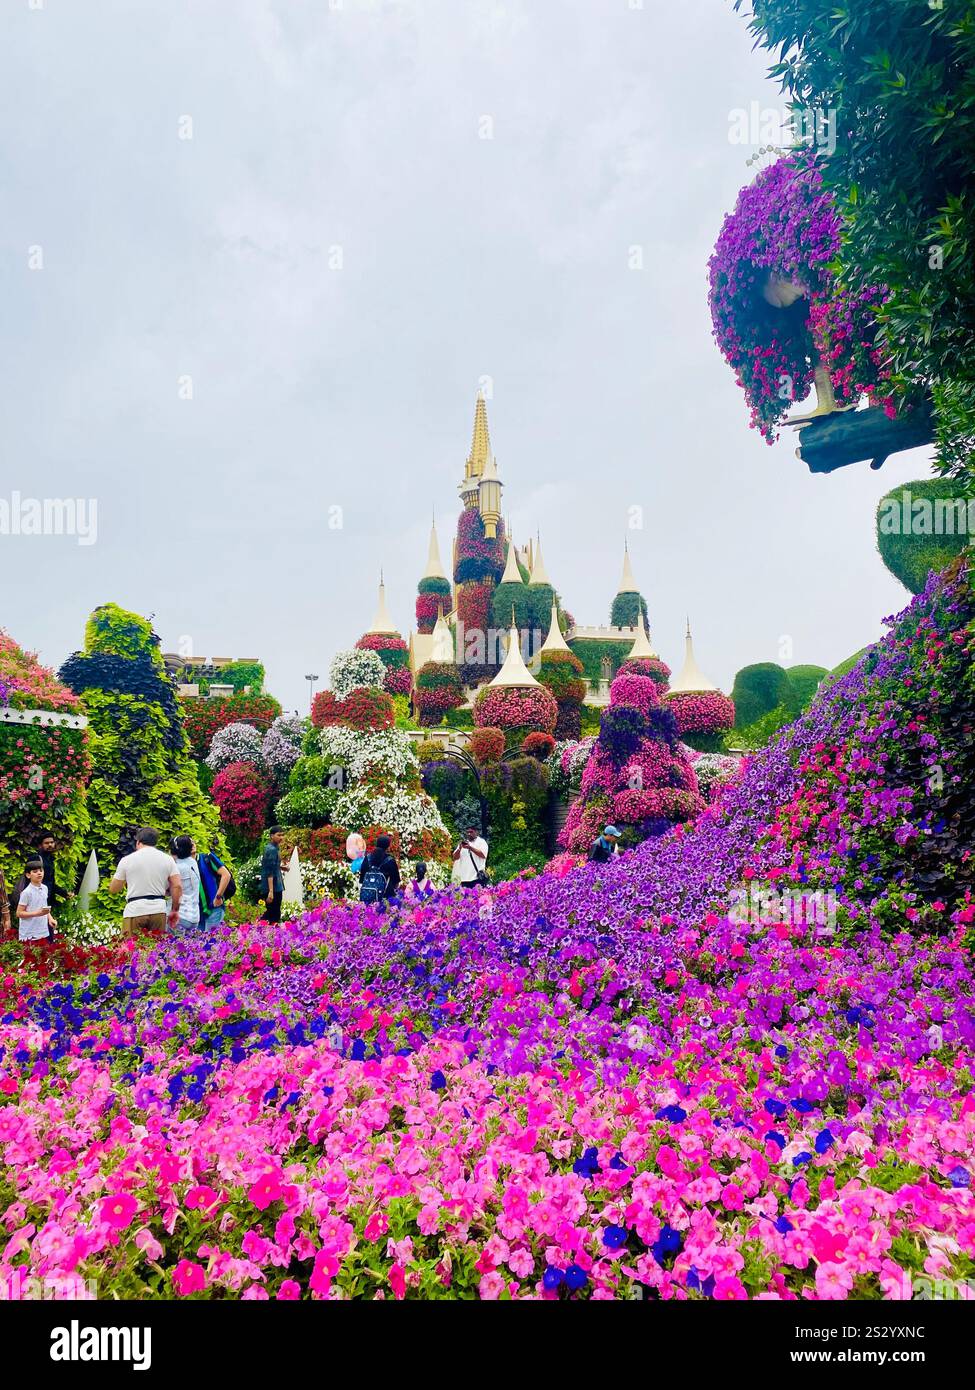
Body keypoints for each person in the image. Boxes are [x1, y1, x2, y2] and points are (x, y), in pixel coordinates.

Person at [109, 827, 181, 936]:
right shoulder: (168, 859)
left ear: (138, 842)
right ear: (155, 842)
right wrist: (175, 910)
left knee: (131, 949)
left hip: (135, 909)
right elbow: (177, 886)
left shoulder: (127, 860)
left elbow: (114, 889)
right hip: (158, 909)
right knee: (156, 949)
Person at [16, 858, 56, 952]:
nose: (39, 873)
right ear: (28, 875)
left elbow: (44, 907)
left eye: (41, 870)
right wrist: (37, 913)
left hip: (43, 931)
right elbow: (19, 913)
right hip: (29, 934)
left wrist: (50, 919)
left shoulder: (45, 888)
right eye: (35, 871)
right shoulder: (26, 892)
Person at [170, 836, 202, 932]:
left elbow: (170, 889)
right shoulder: (193, 862)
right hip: (194, 916)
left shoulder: (177, 867)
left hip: (180, 916)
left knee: (174, 946)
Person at [359, 833, 400, 905]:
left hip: (368, 897)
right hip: (385, 898)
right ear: (388, 846)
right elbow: (396, 881)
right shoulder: (390, 860)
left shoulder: (367, 858)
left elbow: (362, 879)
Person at [37, 831, 63, 940]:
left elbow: (51, 882)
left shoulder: (50, 860)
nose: (50, 845)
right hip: (39, 900)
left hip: (48, 899)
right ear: (41, 845)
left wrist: (64, 893)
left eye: (51, 842)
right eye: (46, 843)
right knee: (42, 931)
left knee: (49, 929)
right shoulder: (38, 859)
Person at [198, 846, 232, 927]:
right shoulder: (185, 864)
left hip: (214, 907)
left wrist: (218, 897)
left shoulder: (206, 858)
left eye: (193, 843)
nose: (192, 845)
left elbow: (226, 875)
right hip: (198, 912)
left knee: (211, 938)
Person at [261, 827, 285, 923]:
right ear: (271, 836)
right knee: (273, 915)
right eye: (279, 835)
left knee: (274, 912)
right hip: (273, 886)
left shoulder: (275, 847)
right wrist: (271, 891)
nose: (281, 837)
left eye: (282, 835)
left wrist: (283, 868)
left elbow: (274, 865)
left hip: (276, 885)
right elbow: (269, 871)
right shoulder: (271, 849)